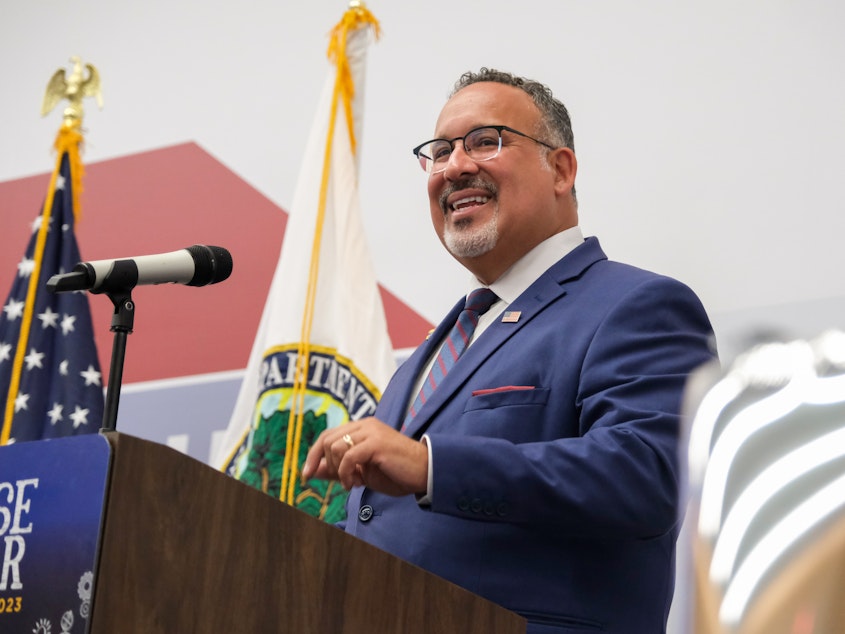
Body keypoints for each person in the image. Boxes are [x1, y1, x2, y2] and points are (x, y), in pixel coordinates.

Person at [302, 67, 717, 634]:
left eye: (484, 141)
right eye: (440, 150)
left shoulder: (637, 305)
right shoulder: (435, 348)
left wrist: (432, 466)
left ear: (561, 169)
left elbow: (648, 477)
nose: (455, 166)